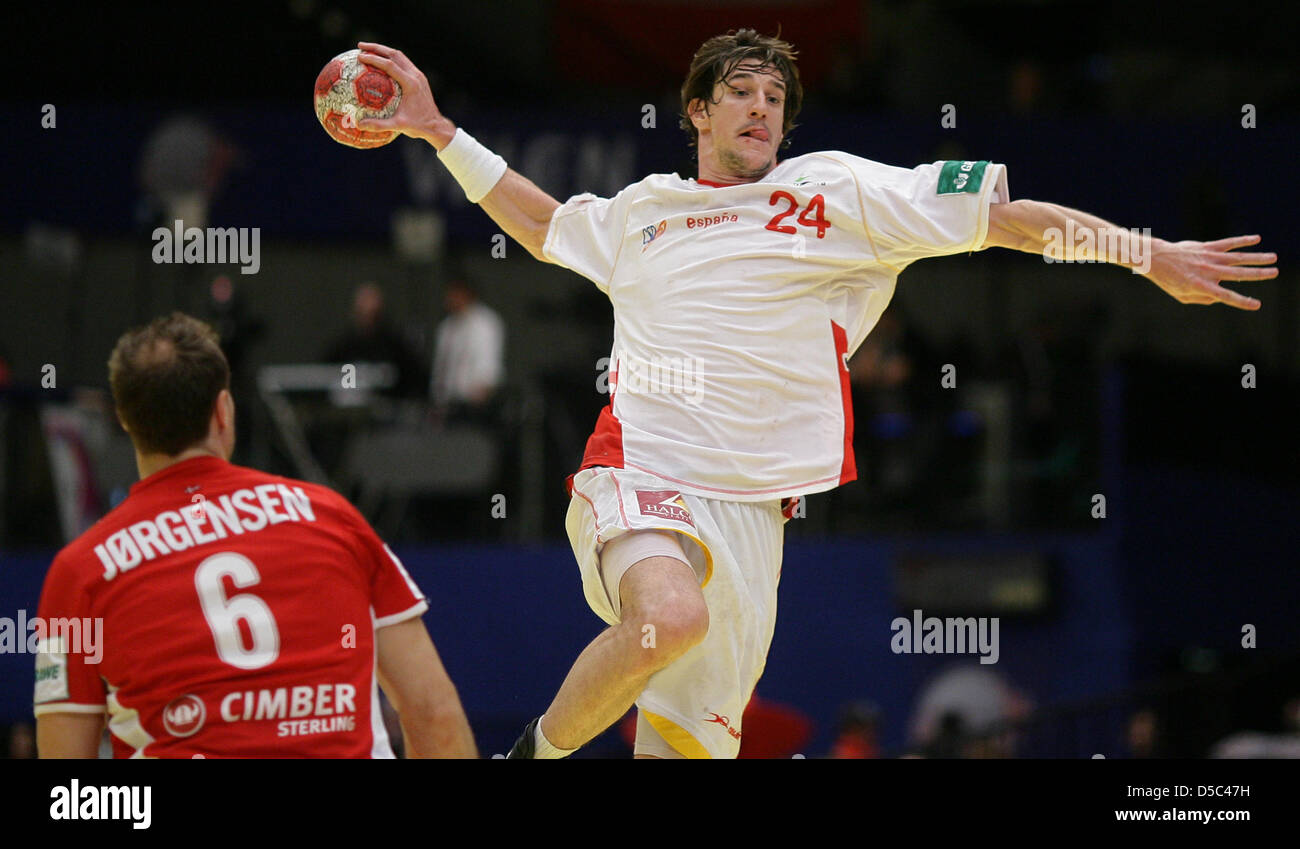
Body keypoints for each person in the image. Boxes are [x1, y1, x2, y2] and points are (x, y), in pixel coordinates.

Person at [355, 30, 1277, 759]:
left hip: (758, 511)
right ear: (698, 111)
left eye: (776, 98)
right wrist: (440, 130)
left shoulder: (836, 191)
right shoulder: (643, 211)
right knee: (669, 614)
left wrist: (1149, 254)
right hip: (640, 464)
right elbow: (545, 220)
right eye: (743, 94)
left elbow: (1005, 222)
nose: (763, 108)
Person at [34, 313, 476, 758]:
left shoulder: (80, 571)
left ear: (125, 422)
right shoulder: (332, 518)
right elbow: (433, 712)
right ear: (223, 411)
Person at [430, 278, 505, 426]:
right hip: (448, 405)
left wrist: (481, 395)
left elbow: (489, 365)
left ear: (466, 294)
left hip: (475, 405)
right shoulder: (447, 327)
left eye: (455, 294)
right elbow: (440, 368)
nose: (450, 299)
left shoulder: (485, 323)